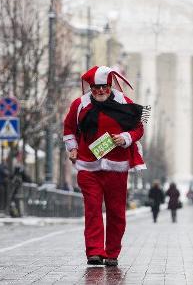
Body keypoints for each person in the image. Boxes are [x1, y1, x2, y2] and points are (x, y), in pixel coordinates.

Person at [63, 66, 148, 266]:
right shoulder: (80, 105)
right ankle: (94, 251)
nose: (100, 91)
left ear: (110, 87)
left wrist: (126, 137)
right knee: (92, 209)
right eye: (95, 88)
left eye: (104, 87)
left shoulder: (124, 103)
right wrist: (73, 147)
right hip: (88, 166)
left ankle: (111, 253)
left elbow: (139, 128)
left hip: (116, 167)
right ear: (90, 88)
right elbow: (69, 127)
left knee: (116, 212)